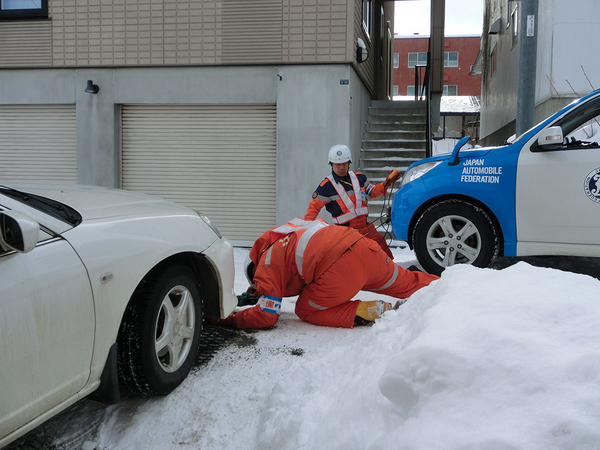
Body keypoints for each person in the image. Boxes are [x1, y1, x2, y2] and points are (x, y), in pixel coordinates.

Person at [214, 218, 438, 330]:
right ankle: (453, 287)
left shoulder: (265, 264)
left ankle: (372, 311)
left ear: (254, 269)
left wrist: (232, 320)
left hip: (339, 267)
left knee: (305, 308)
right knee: (409, 283)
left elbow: (267, 315)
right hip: (364, 247)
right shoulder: (288, 232)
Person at [304, 144, 400, 259]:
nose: (341, 167)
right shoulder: (325, 187)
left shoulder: (359, 178)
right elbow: (313, 208)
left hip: (366, 229)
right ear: (331, 164)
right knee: (353, 260)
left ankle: (389, 275)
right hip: (344, 233)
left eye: (344, 163)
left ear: (349, 163)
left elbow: (373, 192)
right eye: (338, 164)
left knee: (383, 251)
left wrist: (386, 183)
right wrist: (305, 231)